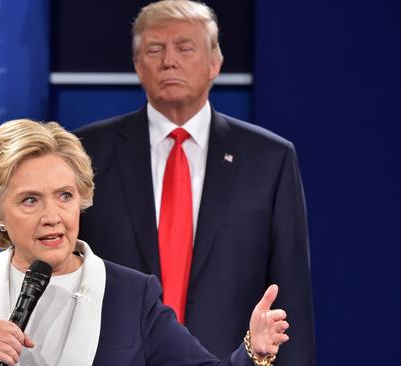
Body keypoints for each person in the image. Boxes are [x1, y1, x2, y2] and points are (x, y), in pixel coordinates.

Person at [0, 119, 290, 366]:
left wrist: (252, 352)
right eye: (30, 200)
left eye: (64, 195)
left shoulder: (131, 293)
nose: (53, 215)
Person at [74, 1, 315, 366]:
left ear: (215, 63)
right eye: (154, 50)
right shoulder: (87, 152)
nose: (169, 61)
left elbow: (290, 292)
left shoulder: (270, 159)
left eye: (185, 48)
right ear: (139, 66)